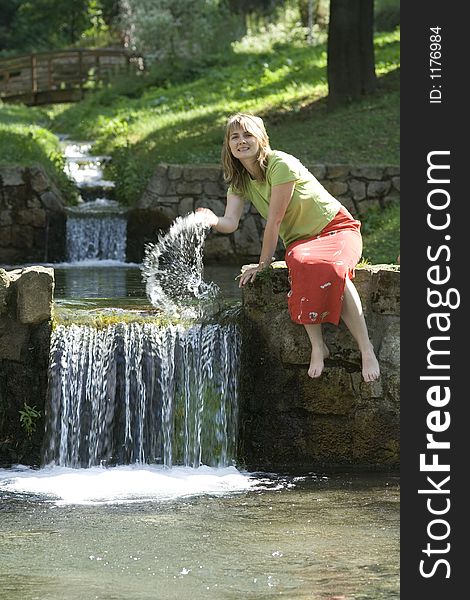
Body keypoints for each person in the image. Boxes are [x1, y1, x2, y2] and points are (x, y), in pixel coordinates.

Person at [196, 113, 380, 382]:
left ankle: (366, 348)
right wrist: (211, 219)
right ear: (228, 145)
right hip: (300, 243)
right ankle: (318, 346)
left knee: (334, 269)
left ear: (261, 138)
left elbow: (275, 219)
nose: (241, 141)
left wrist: (263, 264)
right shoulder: (239, 181)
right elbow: (231, 222)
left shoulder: (280, 164)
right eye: (234, 137)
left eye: (247, 134)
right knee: (302, 263)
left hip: (336, 229)